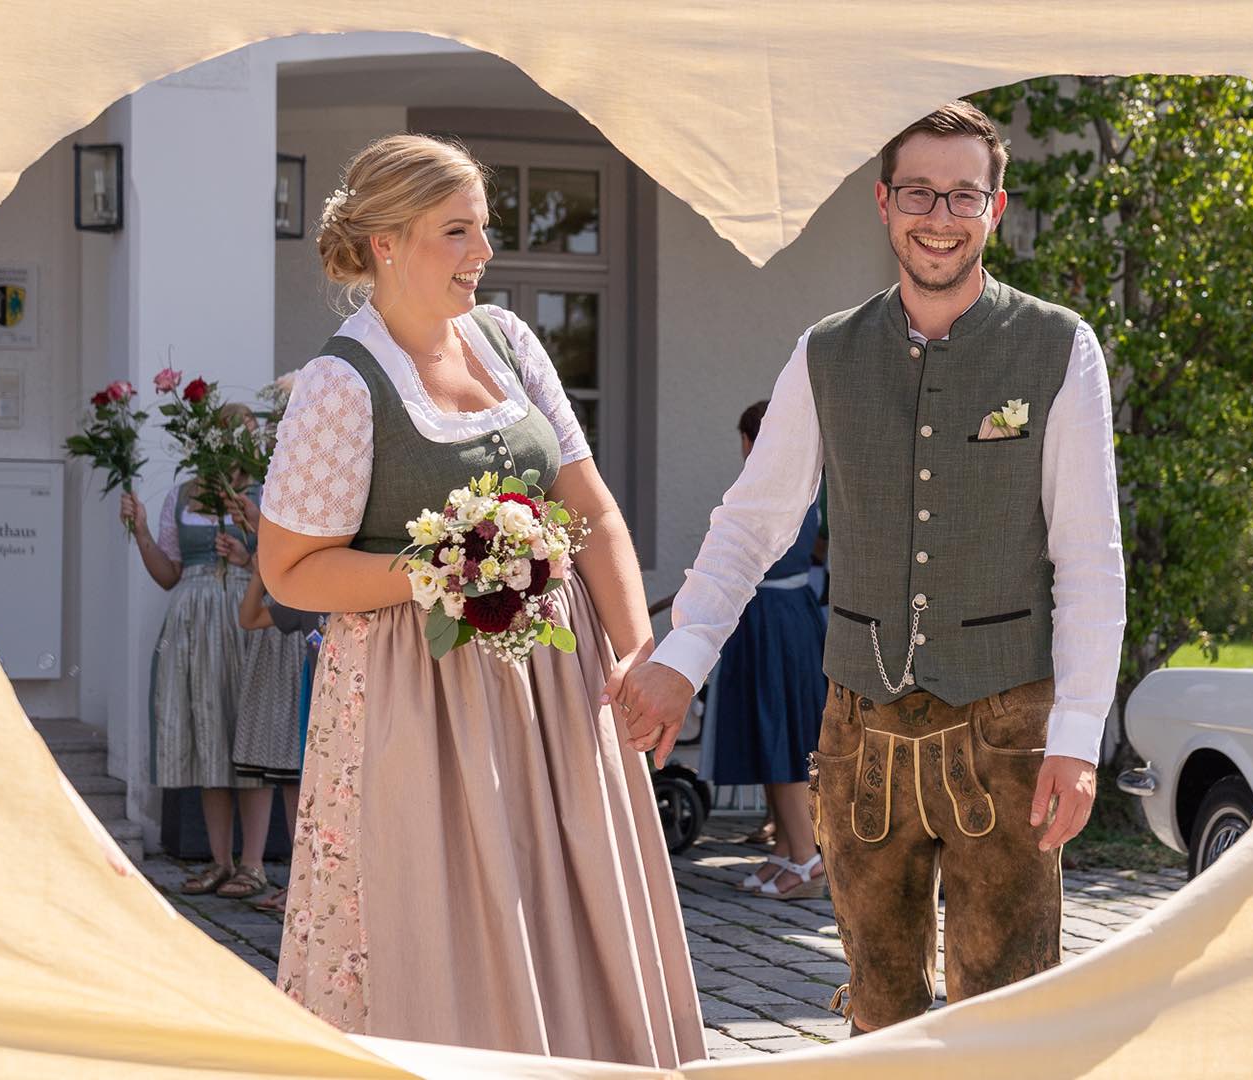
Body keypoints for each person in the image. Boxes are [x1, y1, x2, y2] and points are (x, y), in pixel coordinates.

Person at [616, 101, 1126, 1034]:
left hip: (1008, 725)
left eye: (963, 194)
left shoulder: (1059, 346)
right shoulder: (826, 351)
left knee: (1007, 1010)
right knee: (879, 1011)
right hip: (860, 731)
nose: (941, 214)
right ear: (884, 203)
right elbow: (753, 522)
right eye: (920, 192)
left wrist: (1080, 734)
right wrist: (682, 655)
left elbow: (1088, 556)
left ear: (996, 207)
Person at [257, 133, 702, 1065]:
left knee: (568, 900)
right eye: (457, 231)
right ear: (386, 243)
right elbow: (290, 571)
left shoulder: (509, 341)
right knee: (441, 912)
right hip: (418, 699)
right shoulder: (342, 385)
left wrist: (636, 653)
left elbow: (594, 511)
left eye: (484, 229)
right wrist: (444, 567)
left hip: (560, 690)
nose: (484, 253)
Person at [120, 460, 276, 901]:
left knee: (248, 738)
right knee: (209, 734)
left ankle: (254, 864)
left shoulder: (266, 494)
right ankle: (221, 860)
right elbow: (168, 575)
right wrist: (141, 530)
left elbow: (283, 558)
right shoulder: (182, 494)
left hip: (246, 618)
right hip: (192, 622)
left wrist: (247, 557)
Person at [711, 400, 829, 900]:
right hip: (781, 616)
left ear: (747, 440)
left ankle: (807, 857)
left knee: (783, 734)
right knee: (770, 733)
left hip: (775, 622)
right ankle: (787, 847)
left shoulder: (773, 482)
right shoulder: (805, 481)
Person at [234, 556, 320, 912]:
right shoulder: (309, 599)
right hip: (317, 713)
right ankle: (302, 887)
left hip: (358, 713)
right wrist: (260, 571)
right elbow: (249, 618)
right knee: (306, 795)